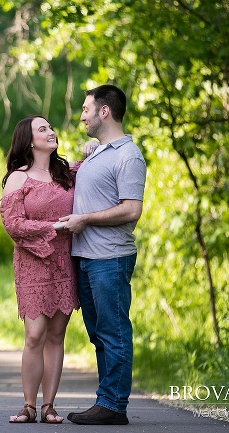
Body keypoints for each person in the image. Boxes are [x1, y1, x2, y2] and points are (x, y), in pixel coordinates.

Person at [59, 84, 147, 426]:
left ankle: (113, 404)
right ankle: (106, 400)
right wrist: (91, 150)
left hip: (110, 259)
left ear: (104, 111)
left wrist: (85, 220)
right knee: (99, 333)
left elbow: (132, 210)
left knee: (114, 332)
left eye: (85, 109)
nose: (82, 115)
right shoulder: (100, 151)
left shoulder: (129, 155)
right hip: (87, 258)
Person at [0, 115, 79, 424]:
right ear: (29, 140)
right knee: (35, 335)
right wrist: (54, 226)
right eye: (42, 129)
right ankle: (28, 405)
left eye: (50, 127)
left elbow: (96, 167)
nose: (51, 132)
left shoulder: (67, 172)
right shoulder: (18, 178)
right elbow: (13, 224)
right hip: (32, 263)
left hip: (64, 261)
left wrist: (91, 148)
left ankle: (49, 407)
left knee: (57, 335)